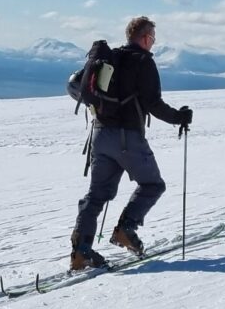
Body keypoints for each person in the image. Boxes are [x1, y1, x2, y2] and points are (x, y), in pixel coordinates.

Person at [70, 16, 192, 270]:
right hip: (127, 138)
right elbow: (153, 104)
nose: (153, 43)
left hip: (100, 135)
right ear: (146, 38)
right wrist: (179, 118)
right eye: (153, 38)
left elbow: (75, 85)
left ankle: (81, 252)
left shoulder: (109, 58)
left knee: (96, 195)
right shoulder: (143, 62)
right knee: (153, 184)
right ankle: (125, 230)